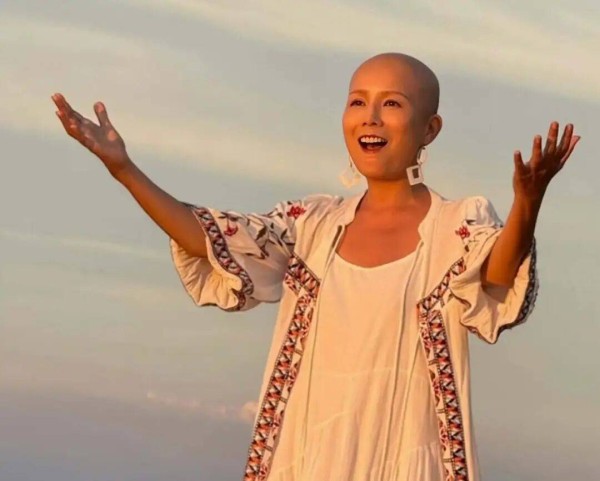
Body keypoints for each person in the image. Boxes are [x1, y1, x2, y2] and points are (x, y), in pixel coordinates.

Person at [52, 52, 580, 481]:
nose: (370, 117)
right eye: (358, 101)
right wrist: (124, 170)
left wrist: (527, 204)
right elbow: (210, 238)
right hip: (307, 457)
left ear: (430, 128)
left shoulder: (454, 226)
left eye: (392, 103)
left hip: (408, 460)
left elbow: (496, 278)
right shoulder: (310, 226)